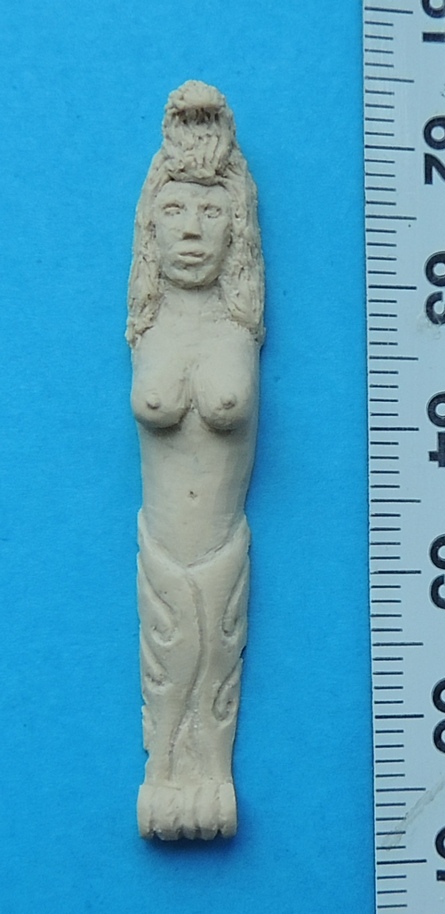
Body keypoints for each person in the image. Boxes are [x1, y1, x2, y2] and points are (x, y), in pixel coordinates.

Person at [127, 81, 264, 840]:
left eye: (211, 212)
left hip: (220, 550)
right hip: (160, 552)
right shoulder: (148, 325)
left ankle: (210, 772)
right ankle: (162, 772)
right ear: (149, 226)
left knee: (214, 650)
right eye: (175, 209)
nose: (191, 229)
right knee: (169, 648)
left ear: (236, 228)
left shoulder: (237, 327)